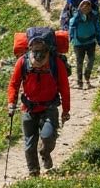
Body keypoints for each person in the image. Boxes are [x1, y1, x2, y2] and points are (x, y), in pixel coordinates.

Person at [7, 40, 71, 176]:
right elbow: (14, 84)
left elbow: (64, 88)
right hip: (28, 108)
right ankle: (34, 172)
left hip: (49, 107)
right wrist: (11, 103)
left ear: (47, 51)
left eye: (42, 52)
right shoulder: (23, 62)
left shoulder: (56, 63)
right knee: (30, 144)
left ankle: (45, 153)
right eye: (36, 52)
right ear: (30, 50)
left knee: (47, 137)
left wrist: (66, 110)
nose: (39, 56)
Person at [68, 0, 100, 89]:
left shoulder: (94, 17)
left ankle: (87, 77)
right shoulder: (75, 18)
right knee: (79, 62)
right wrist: (70, 39)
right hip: (78, 43)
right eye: (83, 5)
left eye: (88, 5)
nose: (86, 7)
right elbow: (71, 27)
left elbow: (98, 28)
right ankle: (79, 81)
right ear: (80, 7)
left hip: (91, 42)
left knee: (91, 61)